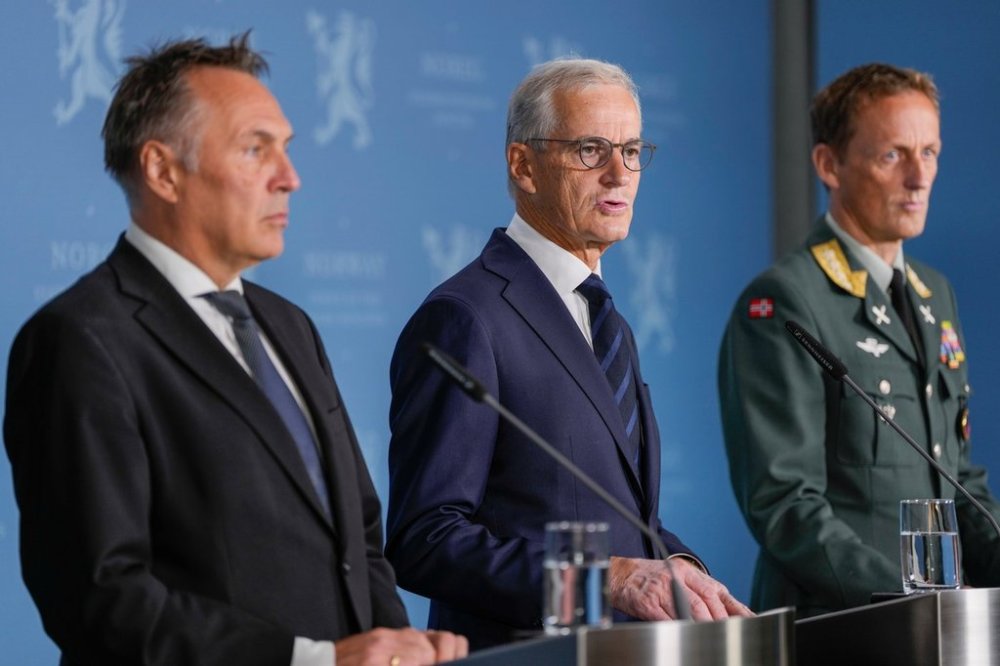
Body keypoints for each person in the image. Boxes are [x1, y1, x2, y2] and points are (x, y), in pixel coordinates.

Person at [3, 34, 466, 666]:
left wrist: (395, 649)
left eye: (286, 150)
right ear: (163, 170)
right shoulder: (80, 339)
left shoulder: (289, 325)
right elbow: (100, 596)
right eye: (256, 150)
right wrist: (313, 661)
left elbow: (358, 538)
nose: (290, 178)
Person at [386, 57, 751, 651]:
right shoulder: (465, 316)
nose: (619, 174)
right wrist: (605, 577)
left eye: (632, 151)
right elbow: (426, 538)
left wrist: (681, 571)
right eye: (590, 149)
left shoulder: (605, 319)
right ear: (523, 166)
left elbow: (621, 519)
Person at [718, 62, 1000, 617]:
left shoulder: (933, 294)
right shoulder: (784, 301)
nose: (919, 178)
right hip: (837, 629)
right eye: (893, 155)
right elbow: (785, 505)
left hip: (934, 628)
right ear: (829, 164)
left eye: (931, 153)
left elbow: (958, 478)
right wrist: (914, 600)